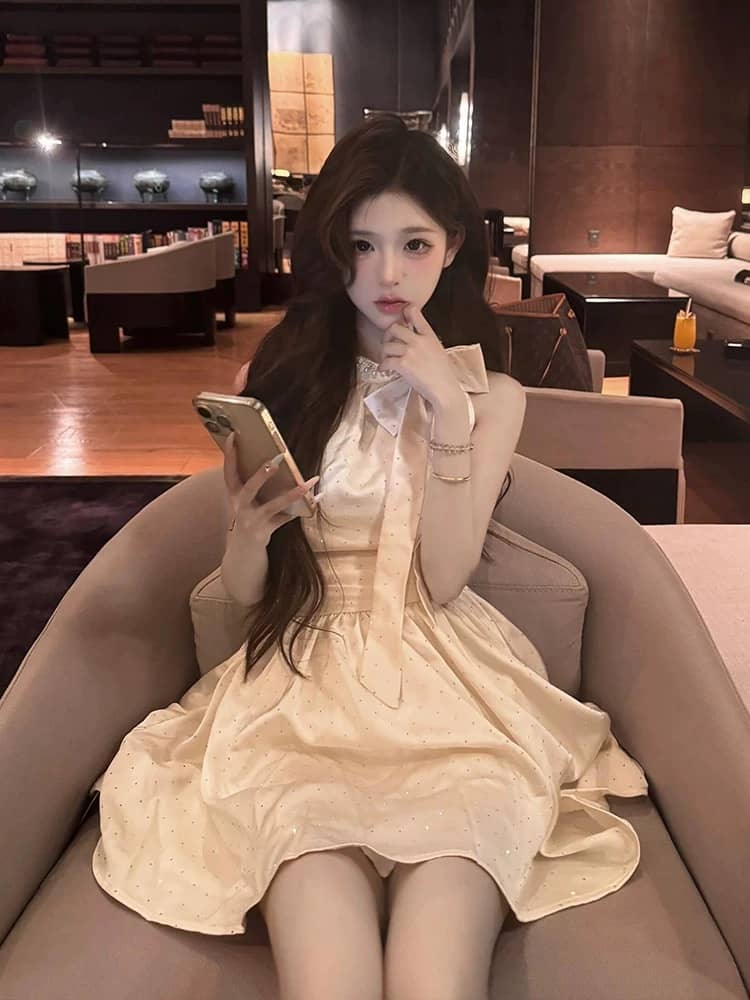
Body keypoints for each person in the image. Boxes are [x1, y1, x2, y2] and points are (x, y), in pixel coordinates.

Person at [90, 114, 648, 1000]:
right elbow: (245, 601)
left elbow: (445, 578)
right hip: (298, 690)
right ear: (331, 248)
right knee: (331, 982)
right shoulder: (279, 380)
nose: (387, 275)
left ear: (452, 245)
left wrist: (448, 411)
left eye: (414, 244)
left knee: (435, 981)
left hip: (448, 689)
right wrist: (247, 532)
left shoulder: (494, 395)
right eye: (361, 244)